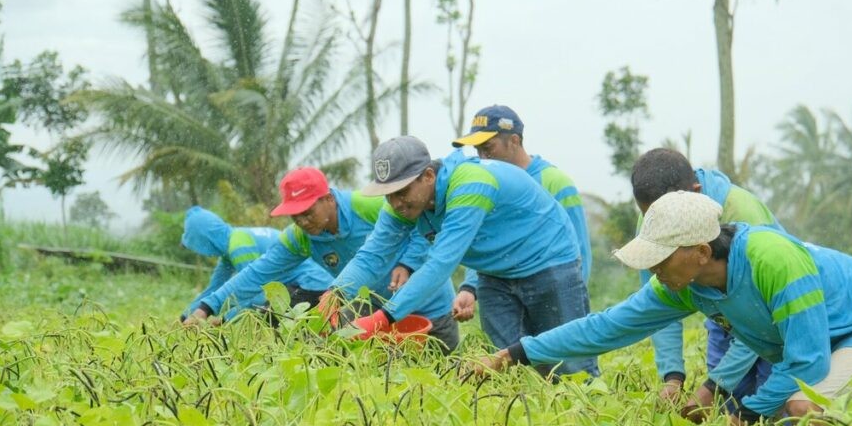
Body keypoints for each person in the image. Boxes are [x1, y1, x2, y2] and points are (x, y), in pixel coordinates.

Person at [475, 191, 852, 426]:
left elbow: (806, 362)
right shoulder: (685, 284)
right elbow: (608, 327)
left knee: (804, 406)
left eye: (660, 257)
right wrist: (517, 352)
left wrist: (745, 415)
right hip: (826, 338)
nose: (653, 268)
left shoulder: (773, 260)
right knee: (806, 423)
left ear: (700, 250)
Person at [331, 135, 598, 377]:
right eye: (389, 196)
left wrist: (383, 318)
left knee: (569, 358)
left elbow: (440, 263)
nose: (396, 203)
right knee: (505, 362)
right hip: (495, 272)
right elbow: (373, 254)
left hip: (548, 261)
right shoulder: (401, 207)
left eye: (402, 192)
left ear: (427, 176)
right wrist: (335, 295)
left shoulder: (470, 184)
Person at [183, 167, 459, 351]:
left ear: (327, 198)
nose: (302, 221)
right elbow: (257, 273)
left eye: (307, 212)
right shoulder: (300, 237)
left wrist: (407, 263)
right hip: (374, 317)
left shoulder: (367, 205)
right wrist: (206, 308)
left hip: (431, 308)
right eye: (295, 216)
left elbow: (424, 224)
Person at [631, 148, 780, 419]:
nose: (659, 226)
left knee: (773, 410)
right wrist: (672, 376)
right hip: (720, 317)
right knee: (727, 413)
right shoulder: (651, 221)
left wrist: (714, 385)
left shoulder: (743, 212)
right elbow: (657, 305)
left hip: (774, 321)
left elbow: (764, 316)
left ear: (697, 191)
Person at [448, 104, 592, 322]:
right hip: (504, 298)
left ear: (514, 141)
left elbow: (578, 252)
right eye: (477, 150)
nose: (482, 156)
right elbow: (485, 244)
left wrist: (571, 305)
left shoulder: (555, 182)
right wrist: (469, 287)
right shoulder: (483, 186)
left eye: (488, 148)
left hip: (552, 295)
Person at [180, 206, 334, 322]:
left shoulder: (239, 247)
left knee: (269, 318)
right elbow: (215, 288)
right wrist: (187, 314)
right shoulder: (231, 245)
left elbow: (256, 295)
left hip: (312, 285)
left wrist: (225, 319)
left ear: (205, 240)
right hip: (295, 286)